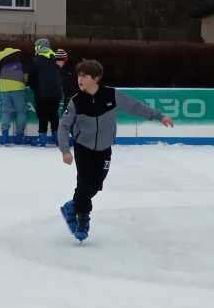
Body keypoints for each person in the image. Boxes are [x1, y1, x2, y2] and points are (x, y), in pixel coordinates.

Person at [58, 59, 174, 241]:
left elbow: (135, 106)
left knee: (96, 185)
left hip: (104, 148)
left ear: (96, 78)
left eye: (84, 76)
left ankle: (72, 206)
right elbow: (64, 126)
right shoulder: (76, 101)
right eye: (79, 75)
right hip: (83, 148)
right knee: (84, 183)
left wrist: (159, 116)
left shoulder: (111, 95)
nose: (80, 79)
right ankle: (83, 220)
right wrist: (65, 150)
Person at [0, 47, 29, 145]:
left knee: (5, 112)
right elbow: (26, 71)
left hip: (4, 86)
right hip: (18, 86)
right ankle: (19, 137)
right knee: (21, 112)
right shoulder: (20, 54)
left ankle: (4, 137)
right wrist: (25, 80)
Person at [29, 37, 62, 146]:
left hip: (42, 93)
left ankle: (42, 139)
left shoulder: (37, 60)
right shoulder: (56, 58)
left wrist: (32, 86)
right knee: (54, 114)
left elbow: (32, 76)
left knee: (42, 115)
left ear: (39, 47)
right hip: (56, 92)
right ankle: (56, 138)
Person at [55, 48, 77, 114]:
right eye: (57, 59)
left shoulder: (71, 69)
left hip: (70, 96)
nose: (59, 61)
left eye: (61, 59)